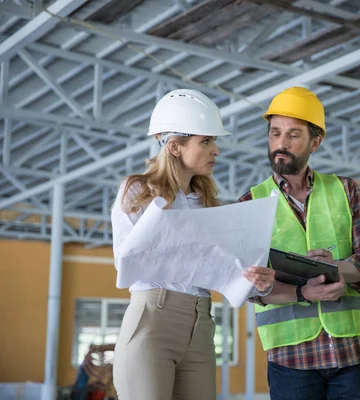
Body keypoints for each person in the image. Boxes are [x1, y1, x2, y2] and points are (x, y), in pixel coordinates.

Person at [110, 89, 275, 400]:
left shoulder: (208, 203)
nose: (216, 150)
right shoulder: (137, 191)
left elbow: (226, 271)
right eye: (206, 141)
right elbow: (127, 263)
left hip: (202, 325)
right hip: (153, 320)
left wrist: (257, 281)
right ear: (175, 146)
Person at [237, 86, 360, 400]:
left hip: (352, 351)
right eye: (275, 133)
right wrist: (302, 292)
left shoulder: (346, 190)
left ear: (315, 142)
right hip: (291, 358)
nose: (281, 144)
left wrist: (338, 269)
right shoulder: (250, 203)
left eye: (293, 135)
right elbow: (248, 287)